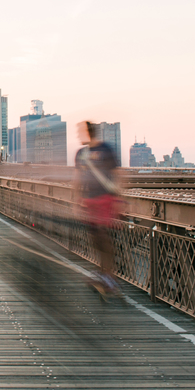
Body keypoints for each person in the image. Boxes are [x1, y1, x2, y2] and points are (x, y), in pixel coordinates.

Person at [73, 121, 121, 298]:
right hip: (89, 200)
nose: (78, 135)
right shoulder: (81, 153)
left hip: (105, 198)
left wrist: (119, 198)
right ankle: (103, 274)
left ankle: (109, 276)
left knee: (102, 235)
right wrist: (77, 200)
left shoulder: (106, 149)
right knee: (95, 238)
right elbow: (77, 177)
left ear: (88, 132)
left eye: (80, 132)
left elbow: (117, 174)